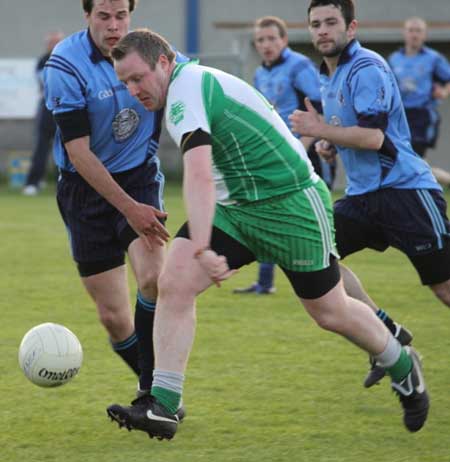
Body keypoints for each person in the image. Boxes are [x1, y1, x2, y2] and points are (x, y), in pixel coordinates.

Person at [106, 28, 429, 440]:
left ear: (164, 63)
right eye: (124, 83)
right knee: (174, 281)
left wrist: (202, 245)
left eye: (138, 78)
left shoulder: (187, 89)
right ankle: (163, 407)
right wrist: (201, 246)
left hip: (290, 203)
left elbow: (199, 173)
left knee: (330, 311)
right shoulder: (183, 87)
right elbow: (208, 173)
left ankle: (402, 363)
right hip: (238, 208)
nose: (133, 90)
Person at [289, 0, 450, 388]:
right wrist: (332, 143)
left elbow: (375, 137)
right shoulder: (328, 73)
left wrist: (322, 131)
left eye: (331, 22)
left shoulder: (368, 67)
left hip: (404, 193)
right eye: (315, 24)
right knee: (316, 257)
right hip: (362, 198)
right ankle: (387, 333)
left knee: (444, 287)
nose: (322, 30)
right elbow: (352, 131)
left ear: (352, 27)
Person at [43, 0, 185, 413]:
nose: (114, 25)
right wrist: (128, 209)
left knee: (154, 278)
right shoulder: (65, 65)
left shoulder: (151, 51)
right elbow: (79, 152)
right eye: (104, 16)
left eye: (121, 15)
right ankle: (157, 389)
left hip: (138, 177)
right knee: (113, 318)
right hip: (84, 189)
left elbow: (191, 79)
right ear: (86, 16)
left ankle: (158, 395)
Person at [233, 15, 334, 295]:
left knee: (314, 222)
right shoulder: (260, 73)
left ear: (284, 40)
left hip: (305, 154)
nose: (266, 45)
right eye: (260, 40)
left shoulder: (299, 66)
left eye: (272, 39)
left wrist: (302, 146)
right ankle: (265, 283)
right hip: (275, 155)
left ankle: (328, 280)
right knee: (267, 210)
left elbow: (320, 111)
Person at [389, 17, 450, 187]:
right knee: (411, 160)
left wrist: (443, 92)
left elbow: (447, 79)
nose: (414, 34)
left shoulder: (433, 58)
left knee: (414, 158)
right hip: (400, 114)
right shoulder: (394, 59)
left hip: (423, 114)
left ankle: (422, 189)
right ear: (404, 33)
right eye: (411, 30)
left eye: (418, 31)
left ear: (424, 35)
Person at [22, 31, 64, 196]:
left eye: (58, 42)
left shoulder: (67, 59)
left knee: (66, 148)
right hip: (47, 108)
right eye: (52, 42)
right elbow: (48, 83)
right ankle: (33, 182)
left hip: (64, 108)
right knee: (41, 147)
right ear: (47, 45)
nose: (55, 45)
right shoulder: (42, 61)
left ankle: (63, 182)